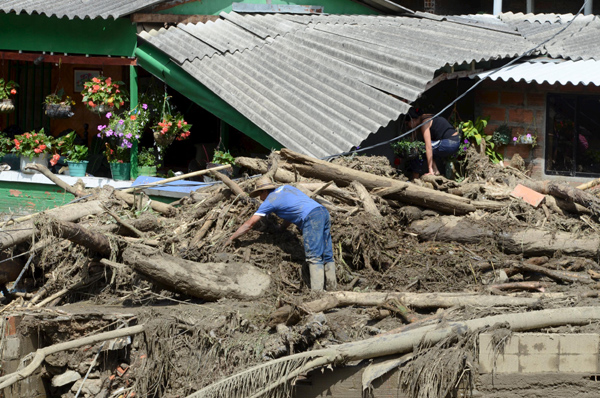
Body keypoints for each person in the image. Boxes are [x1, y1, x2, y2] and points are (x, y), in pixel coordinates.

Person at [225, 176, 336, 292]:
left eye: (260, 194)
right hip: (322, 211)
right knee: (327, 255)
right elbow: (292, 211)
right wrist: (281, 228)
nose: (260, 198)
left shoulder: (270, 201)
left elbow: (249, 224)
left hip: (311, 218)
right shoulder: (286, 188)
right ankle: (333, 290)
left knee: (314, 257)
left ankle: (317, 295)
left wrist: (232, 238)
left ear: (264, 191)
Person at [406, 107, 461, 176]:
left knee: (418, 149)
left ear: (412, 120)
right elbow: (413, 137)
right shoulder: (426, 117)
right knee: (423, 145)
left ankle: (416, 176)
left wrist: (429, 169)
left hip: (449, 143)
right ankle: (435, 170)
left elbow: (428, 147)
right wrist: (407, 144)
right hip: (454, 141)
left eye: (407, 124)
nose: (408, 127)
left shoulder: (425, 123)